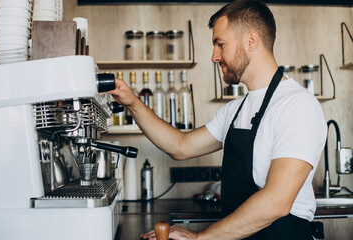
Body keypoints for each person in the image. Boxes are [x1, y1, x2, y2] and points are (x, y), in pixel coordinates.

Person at [109, 0, 327, 239]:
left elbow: (276, 201)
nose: (214, 56)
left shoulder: (296, 105)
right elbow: (179, 146)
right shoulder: (234, 109)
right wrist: (131, 102)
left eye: (220, 44)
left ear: (251, 41)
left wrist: (200, 238)